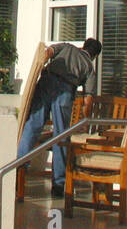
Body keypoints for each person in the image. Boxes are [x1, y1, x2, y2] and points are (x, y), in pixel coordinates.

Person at [17, 38, 102, 197]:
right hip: (65, 91)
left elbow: (48, 52)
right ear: (94, 55)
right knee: (61, 136)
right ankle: (58, 184)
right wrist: (85, 119)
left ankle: (18, 169)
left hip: (47, 82)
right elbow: (88, 99)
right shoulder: (89, 68)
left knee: (33, 125)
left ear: (83, 46)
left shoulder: (67, 47)